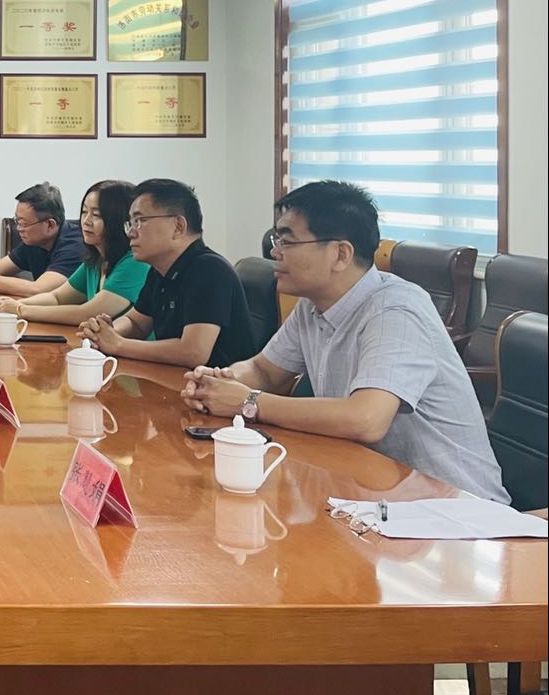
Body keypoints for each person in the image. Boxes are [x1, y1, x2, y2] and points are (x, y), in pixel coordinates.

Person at [182, 181, 507, 503]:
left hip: (456, 507)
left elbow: (366, 419)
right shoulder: (312, 305)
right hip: (375, 493)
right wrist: (220, 382)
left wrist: (248, 402)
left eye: (286, 241)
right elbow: (265, 371)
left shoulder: (395, 309)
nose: (274, 252)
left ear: (340, 254)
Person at [79, 178, 254, 368]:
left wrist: (118, 344)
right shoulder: (159, 270)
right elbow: (136, 322)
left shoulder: (210, 270)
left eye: (140, 221)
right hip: (175, 378)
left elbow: (193, 352)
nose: (130, 233)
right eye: (130, 223)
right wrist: (107, 331)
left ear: (178, 226)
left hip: (218, 384)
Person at [0, 180, 150, 326]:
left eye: (96, 215)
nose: (86, 221)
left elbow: (87, 313)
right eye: (84, 212)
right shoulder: (96, 260)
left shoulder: (134, 262)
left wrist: (21, 310)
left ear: (119, 220)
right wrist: (15, 303)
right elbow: (57, 297)